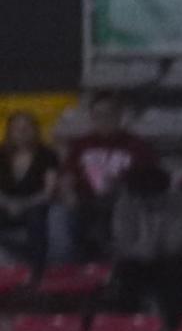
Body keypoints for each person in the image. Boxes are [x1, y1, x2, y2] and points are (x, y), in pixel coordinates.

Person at [61, 93, 157, 258]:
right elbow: (67, 175)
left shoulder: (138, 145)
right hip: (85, 201)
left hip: (125, 202)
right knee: (63, 214)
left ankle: (106, 259)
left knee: (112, 209)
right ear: (92, 117)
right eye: (98, 115)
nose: (104, 119)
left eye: (109, 114)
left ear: (120, 115)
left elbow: (150, 178)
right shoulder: (80, 144)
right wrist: (69, 195)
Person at [109, 162, 182, 324]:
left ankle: (174, 327)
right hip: (135, 260)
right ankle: (125, 326)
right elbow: (124, 241)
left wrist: (154, 243)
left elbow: (177, 240)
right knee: (125, 272)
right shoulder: (125, 204)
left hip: (167, 259)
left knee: (177, 270)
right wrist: (145, 248)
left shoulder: (176, 203)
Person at [0, 111, 67, 271]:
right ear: (10, 131)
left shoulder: (47, 155)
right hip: (5, 204)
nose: (22, 132)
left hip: (36, 203)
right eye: (17, 128)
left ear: (35, 130)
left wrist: (23, 204)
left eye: (26, 128)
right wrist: (7, 203)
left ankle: (39, 270)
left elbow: (49, 191)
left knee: (36, 216)